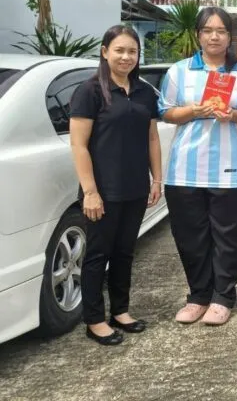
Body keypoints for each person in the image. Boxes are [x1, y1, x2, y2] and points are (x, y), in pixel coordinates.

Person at [159, 7, 237, 327]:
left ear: (230, 36)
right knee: (191, 236)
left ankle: (223, 296)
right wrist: (195, 110)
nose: (214, 36)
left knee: (229, 236)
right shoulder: (179, 71)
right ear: (198, 35)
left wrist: (235, 115)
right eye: (207, 30)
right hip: (185, 167)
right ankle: (199, 294)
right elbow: (166, 112)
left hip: (231, 167)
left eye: (221, 31)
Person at [70, 25, 162, 345]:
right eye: (119, 50)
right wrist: (90, 192)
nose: (126, 57)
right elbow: (79, 145)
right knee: (98, 254)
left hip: (135, 187)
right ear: (105, 51)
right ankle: (93, 319)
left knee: (124, 253)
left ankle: (120, 311)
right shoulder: (90, 91)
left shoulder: (145, 92)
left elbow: (152, 138)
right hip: (102, 191)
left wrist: (156, 179)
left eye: (132, 51)